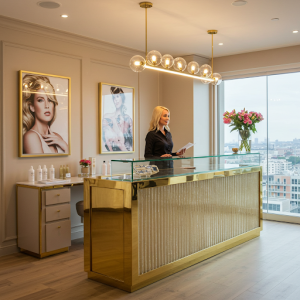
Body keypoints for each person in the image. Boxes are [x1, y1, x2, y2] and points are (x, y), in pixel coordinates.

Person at [22, 74, 68, 154]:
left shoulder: (57, 137)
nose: (47, 105)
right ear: (32, 107)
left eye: (50, 100)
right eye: (40, 100)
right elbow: (39, 165)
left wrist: (65, 145)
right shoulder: (30, 137)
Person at [144, 106, 186, 174]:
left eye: (168, 116)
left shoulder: (168, 133)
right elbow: (147, 156)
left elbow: (166, 154)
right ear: (158, 117)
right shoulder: (151, 134)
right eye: (165, 116)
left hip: (169, 167)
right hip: (157, 169)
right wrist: (160, 157)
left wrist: (176, 153)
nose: (168, 118)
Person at [102, 86, 133, 152]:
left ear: (122, 98)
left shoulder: (127, 119)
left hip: (125, 154)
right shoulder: (107, 117)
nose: (115, 100)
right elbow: (104, 140)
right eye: (114, 98)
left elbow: (132, 142)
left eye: (117, 96)